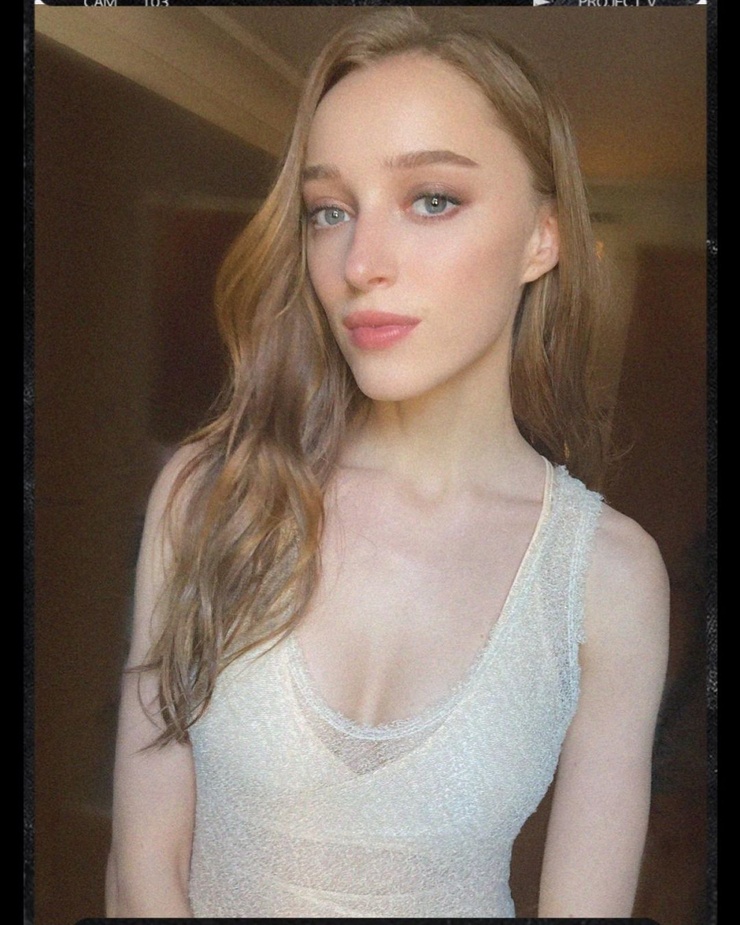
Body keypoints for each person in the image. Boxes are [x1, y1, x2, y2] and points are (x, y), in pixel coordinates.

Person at [105, 8, 669, 918]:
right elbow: (142, 867)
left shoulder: (608, 577)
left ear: (543, 237)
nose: (360, 262)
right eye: (329, 211)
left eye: (431, 199)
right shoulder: (211, 494)